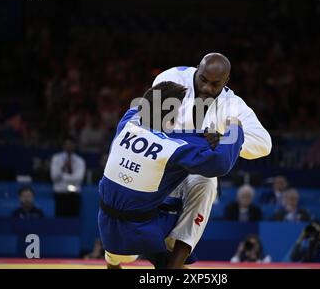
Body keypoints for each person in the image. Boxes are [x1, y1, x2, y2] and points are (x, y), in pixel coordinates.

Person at [98, 81, 244, 269]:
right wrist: (234, 129)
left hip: (107, 229)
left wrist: (199, 136)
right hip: (141, 232)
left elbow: (163, 126)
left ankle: (112, 261)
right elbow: (221, 164)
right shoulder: (173, 149)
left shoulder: (128, 120)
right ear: (170, 121)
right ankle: (174, 261)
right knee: (206, 181)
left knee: (117, 254)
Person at [152, 52, 272, 267]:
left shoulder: (233, 104)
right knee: (125, 253)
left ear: (226, 81)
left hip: (193, 172)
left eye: (215, 84)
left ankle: (176, 261)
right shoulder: (172, 79)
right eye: (203, 80)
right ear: (197, 69)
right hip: (161, 163)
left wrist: (227, 139)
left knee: (209, 180)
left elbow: (264, 143)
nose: (207, 88)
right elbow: (149, 122)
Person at [50, 138, 86, 217]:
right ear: (63, 145)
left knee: (73, 221)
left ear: (74, 146)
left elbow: (79, 179)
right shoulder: (56, 158)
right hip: (59, 194)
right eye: (67, 144)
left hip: (74, 195)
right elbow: (54, 177)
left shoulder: (80, 161)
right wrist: (62, 168)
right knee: (59, 221)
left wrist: (63, 176)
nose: (69, 146)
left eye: (71, 144)